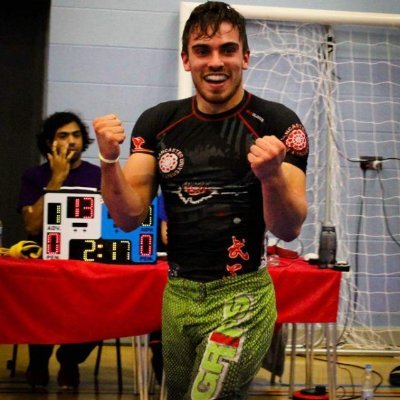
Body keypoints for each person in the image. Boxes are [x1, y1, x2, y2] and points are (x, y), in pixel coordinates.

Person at [93, 1, 308, 398]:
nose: (216, 61)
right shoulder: (158, 122)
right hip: (178, 294)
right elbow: (127, 217)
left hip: (242, 296)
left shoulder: (278, 123)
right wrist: (108, 161)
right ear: (185, 60)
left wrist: (271, 176)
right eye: (202, 50)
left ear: (245, 57)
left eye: (228, 49)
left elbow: (289, 228)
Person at [17, 111, 101, 389]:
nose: (71, 141)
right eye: (63, 136)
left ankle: (69, 359)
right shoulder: (34, 176)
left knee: (107, 304)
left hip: (88, 263)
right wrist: (56, 180)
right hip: (45, 265)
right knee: (38, 304)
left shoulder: (98, 175)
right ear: (49, 142)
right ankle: (38, 361)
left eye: (76, 135)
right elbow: (31, 226)